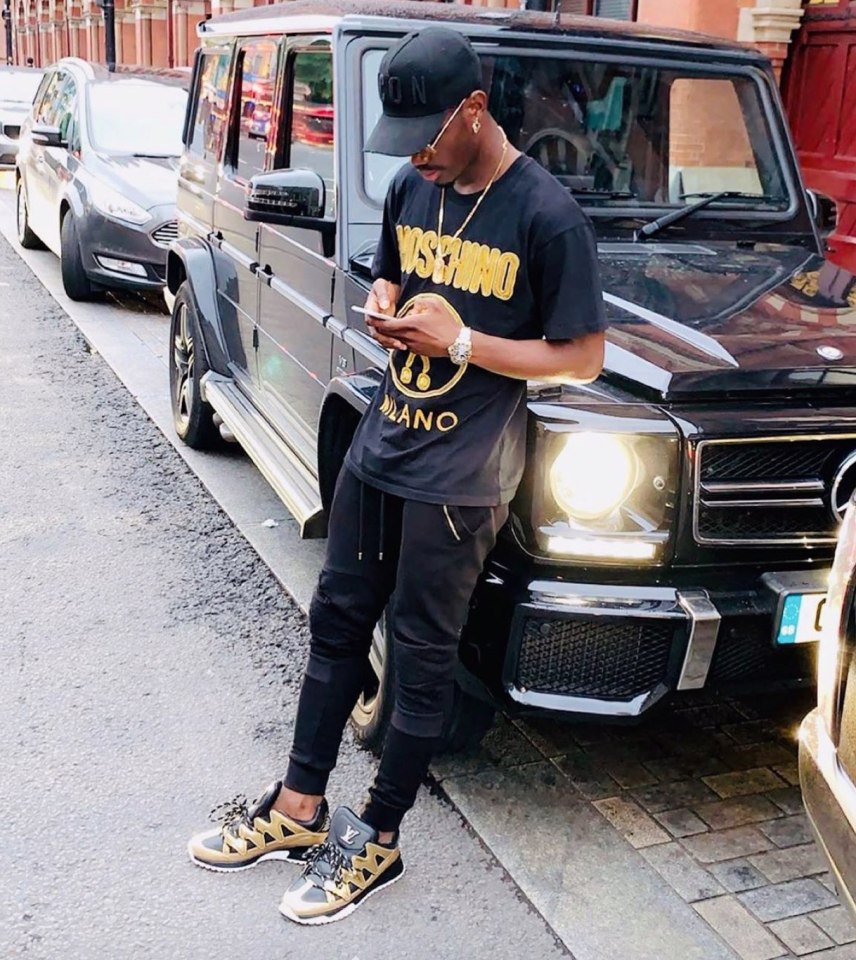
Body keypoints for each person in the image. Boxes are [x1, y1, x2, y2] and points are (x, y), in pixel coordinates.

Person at [187, 25, 607, 925]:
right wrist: (382, 301)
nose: (413, 153)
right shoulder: (418, 186)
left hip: (461, 475)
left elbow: (581, 357)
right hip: (384, 442)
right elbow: (390, 273)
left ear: (474, 111)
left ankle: (377, 838)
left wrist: (462, 340)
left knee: (420, 658)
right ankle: (300, 809)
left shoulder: (545, 212)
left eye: (427, 133)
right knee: (337, 619)